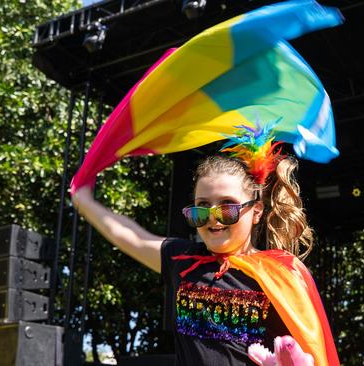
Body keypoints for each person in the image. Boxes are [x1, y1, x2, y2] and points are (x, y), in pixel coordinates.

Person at [71, 127, 340, 366]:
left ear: (256, 211)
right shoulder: (183, 261)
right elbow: (133, 236)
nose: (213, 218)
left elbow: (309, 348)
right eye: (201, 209)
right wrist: (85, 202)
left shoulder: (282, 273)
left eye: (227, 207)